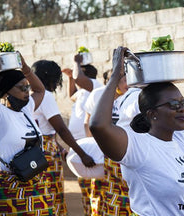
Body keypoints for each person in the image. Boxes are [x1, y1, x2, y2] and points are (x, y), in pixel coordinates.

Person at [89, 46, 184, 215]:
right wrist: (116, 73)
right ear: (152, 114)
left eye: (183, 103)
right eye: (174, 105)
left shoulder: (183, 135)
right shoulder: (137, 147)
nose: (182, 109)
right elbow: (97, 125)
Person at [32, 60, 96, 215]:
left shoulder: (31, 95)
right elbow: (60, 128)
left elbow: (43, 130)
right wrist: (82, 154)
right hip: (46, 155)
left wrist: (61, 149)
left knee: (43, 195)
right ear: (50, 78)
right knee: (53, 196)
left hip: (38, 151)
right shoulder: (45, 96)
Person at [0, 53, 55, 214]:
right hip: (10, 187)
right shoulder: (1, 114)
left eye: (27, 86)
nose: (26, 91)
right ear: (5, 92)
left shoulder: (26, 110)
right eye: (21, 87)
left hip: (37, 183)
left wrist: (25, 69)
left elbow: (40, 90)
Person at [83, 68, 140, 215]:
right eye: (121, 80)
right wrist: (94, 148)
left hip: (128, 153)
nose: (126, 83)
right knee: (107, 193)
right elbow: (90, 123)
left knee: (130, 192)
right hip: (108, 155)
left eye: (127, 79)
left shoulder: (133, 98)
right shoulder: (101, 97)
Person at [62, 54, 102, 215]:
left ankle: (92, 211)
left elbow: (79, 79)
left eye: (78, 72)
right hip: (80, 143)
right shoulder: (82, 93)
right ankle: (88, 211)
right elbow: (71, 94)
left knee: (93, 184)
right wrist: (70, 78)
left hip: (90, 143)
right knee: (84, 184)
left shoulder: (96, 86)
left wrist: (76, 62)